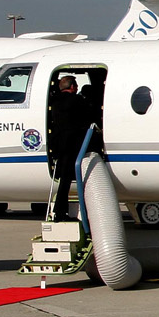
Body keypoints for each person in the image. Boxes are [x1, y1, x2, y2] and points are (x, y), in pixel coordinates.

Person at [48, 75, 94, 222]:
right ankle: (61, 212)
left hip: (59, 144)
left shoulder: (54, 102)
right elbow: (88, 117)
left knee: (64, 180)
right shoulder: (77, 101)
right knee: (71, 178)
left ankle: (59, 211)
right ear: (72, 87)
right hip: (73, 144)